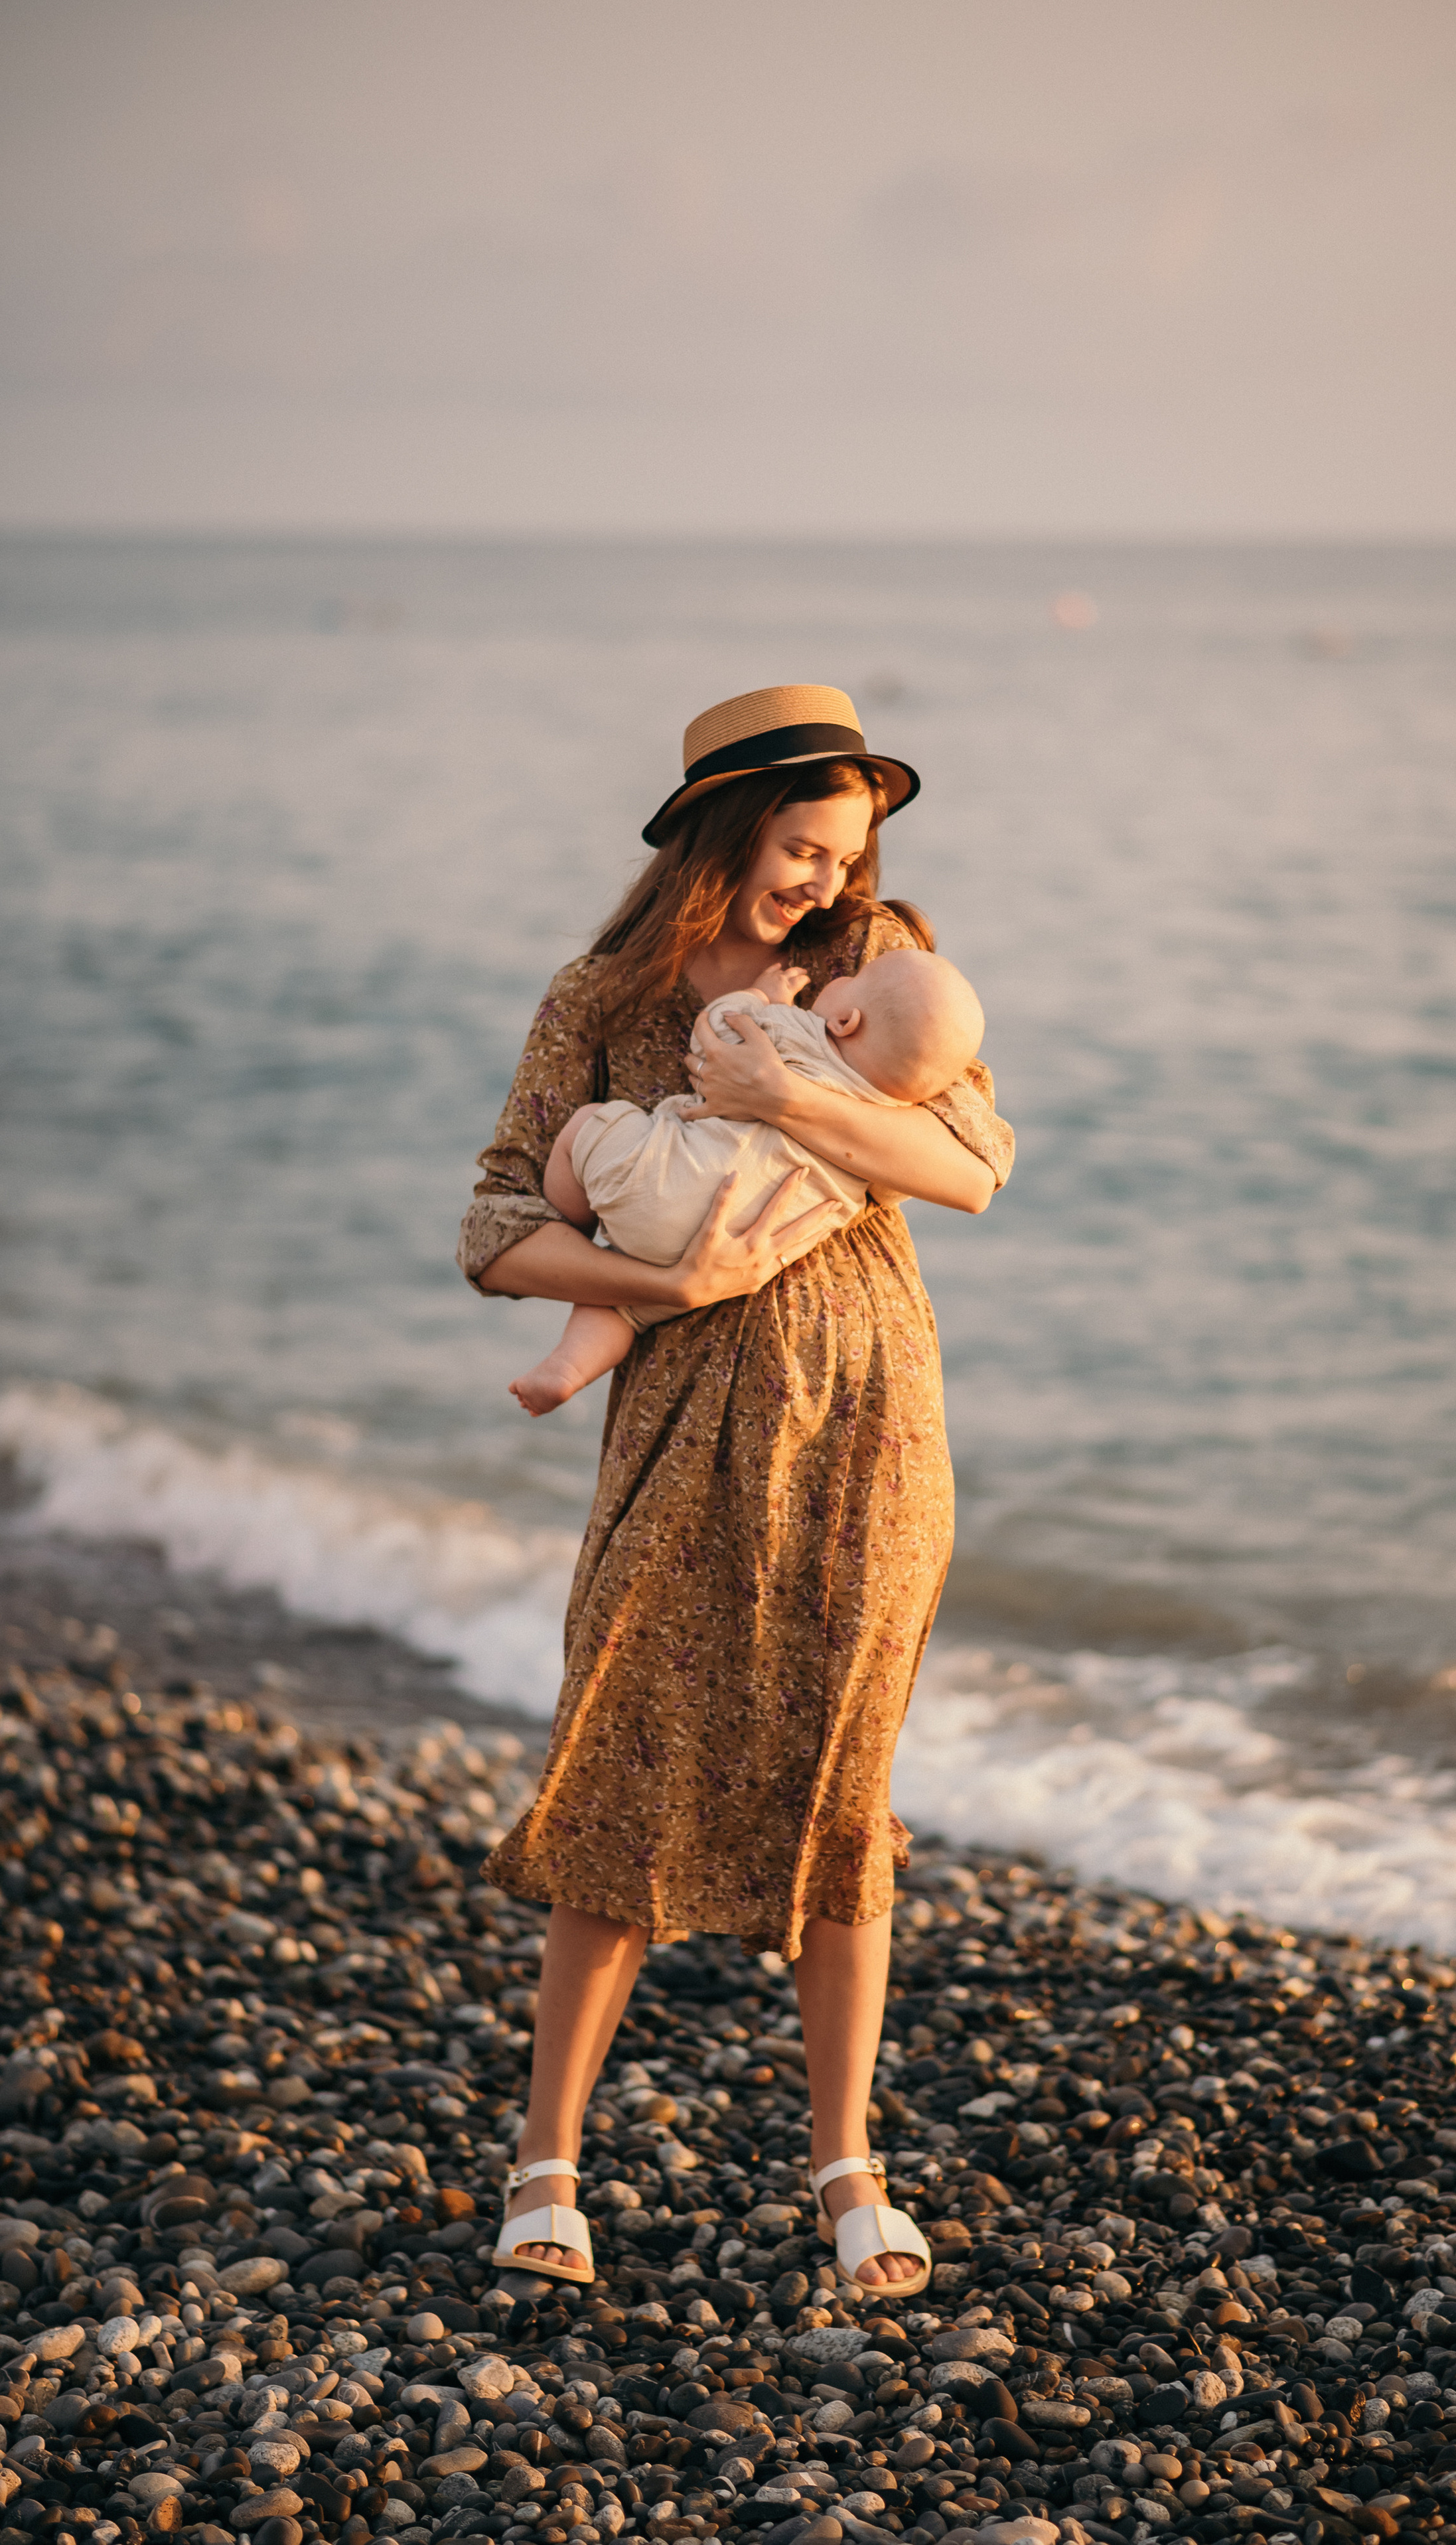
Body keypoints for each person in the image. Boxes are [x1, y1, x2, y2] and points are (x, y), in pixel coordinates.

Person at [459, 684, 1013, 2298]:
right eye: (799, 848)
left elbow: (972, 1165)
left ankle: (848, 2169)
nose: (828, 881)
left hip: (867, 1417)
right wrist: (682, 1272)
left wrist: (793, 1101)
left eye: (847, 852)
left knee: (840, 1789)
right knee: (618, 1764)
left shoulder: (876, 960)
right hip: (680, 1422)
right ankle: (546, 2162)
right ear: (721, 833)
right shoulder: (602, 993)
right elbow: (494, 1224)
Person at [508, 942, 986, 1416]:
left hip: (661, 1183)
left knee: (587, 1126)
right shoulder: (893, 1134)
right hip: (740, 1251)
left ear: (845, 1021)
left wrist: (760, 998)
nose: (839, 978)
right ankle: (568, 1369)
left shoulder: (796, 1032)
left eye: (851, 982)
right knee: (625, 1313)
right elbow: (904, 1184)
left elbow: (713, 1036)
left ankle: (570, 1226)